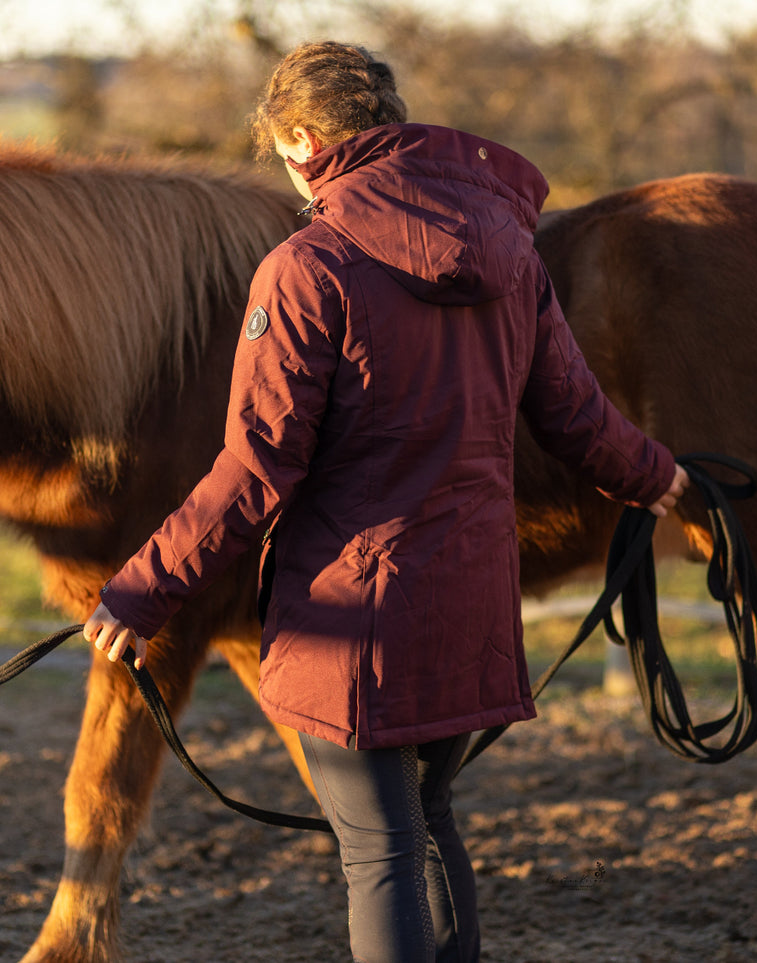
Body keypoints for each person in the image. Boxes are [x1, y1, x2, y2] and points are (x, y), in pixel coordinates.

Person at [85, 40, 688, 963]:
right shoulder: (512, 258)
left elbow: (255, 470)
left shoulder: (306, 268)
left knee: (379, 852)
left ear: (302, 138)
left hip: (354, 621)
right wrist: (662, 477)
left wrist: (140, 589)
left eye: (286, 155)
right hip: (472, 602)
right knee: (427, 822)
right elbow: (576, 417)